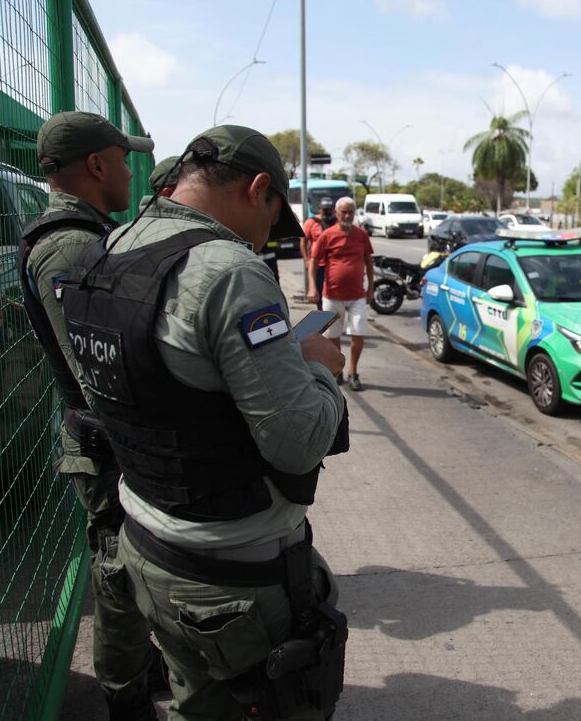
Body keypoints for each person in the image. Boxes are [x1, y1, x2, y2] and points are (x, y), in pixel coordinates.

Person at [63, 125, 350, 720]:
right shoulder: (227, 270)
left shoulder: (109, 248)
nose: (267, 239)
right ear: (258, 188)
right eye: (273, 219)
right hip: (231, 575)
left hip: (146, 537)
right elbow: (297, 442)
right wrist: (319, 369)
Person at [19, 110, 164, 720]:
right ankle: (124, 692)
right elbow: (96, 367)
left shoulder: (86, 234)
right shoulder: (73, 245)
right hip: (106, 444)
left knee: (126, 570)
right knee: (119, 576)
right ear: (96, 165)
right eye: (123, 158)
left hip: (109, 439)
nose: (132, 171)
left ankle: (138, 669)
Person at [307, 197, 373, 392]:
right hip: (332, 295)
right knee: (333, 336)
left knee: (358, 333)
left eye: (350, 212)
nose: (347, 215)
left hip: (357, 295)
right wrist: (312, 287)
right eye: (343, 212)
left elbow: (369, 261)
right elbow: (313, 260)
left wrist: (371, 287)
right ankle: (338, 371)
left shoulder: (361, 235)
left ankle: (354, 372)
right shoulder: (327, 235)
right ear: (336, 214)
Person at [302, 198, 336, 311]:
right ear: (320, 209)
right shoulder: (311, 222)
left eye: (329, 210)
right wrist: (306, 260)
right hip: (318, 264)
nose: (327, 212)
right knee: (319, 293)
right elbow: (303, 242)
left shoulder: (338, 222)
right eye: (325, 210)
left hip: (334, 264)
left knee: (334, 294)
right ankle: (322, 314)